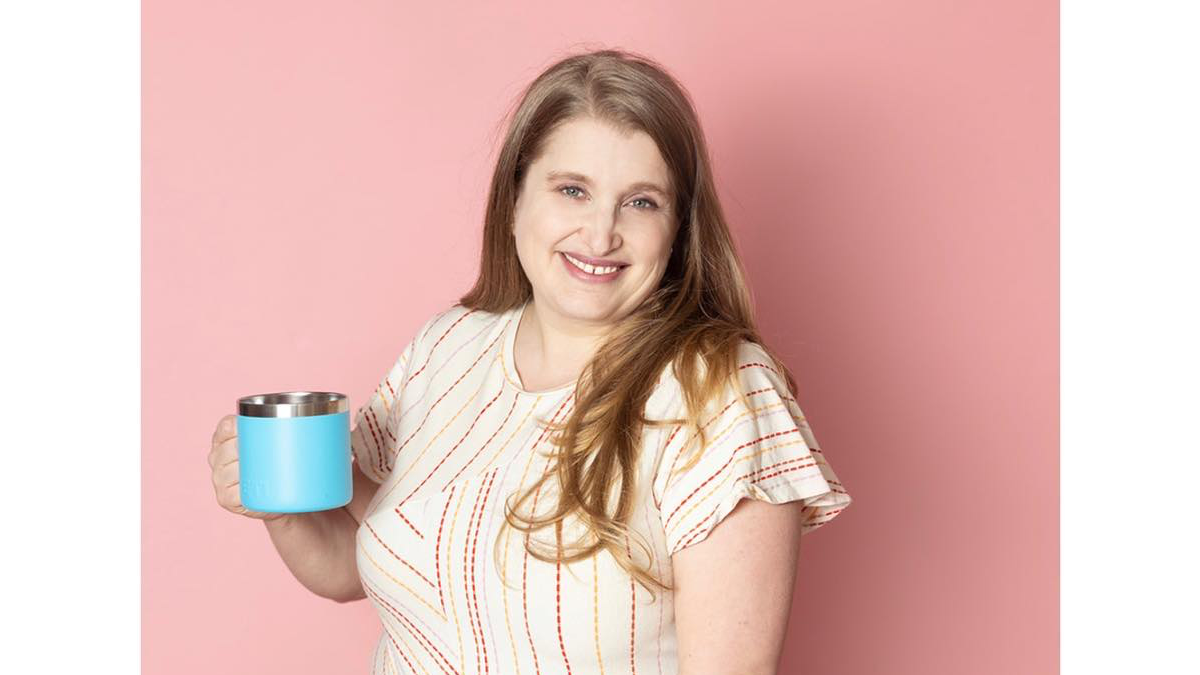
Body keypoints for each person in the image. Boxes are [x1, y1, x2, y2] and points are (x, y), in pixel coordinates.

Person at [209, 47, 852, 675]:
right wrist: (282, 510)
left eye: (641, 201)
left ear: (679, 229)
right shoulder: (445, 349)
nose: (601, 235)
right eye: (573, 190)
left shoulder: (723, 390)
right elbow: (362, 565)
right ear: (515, 200)